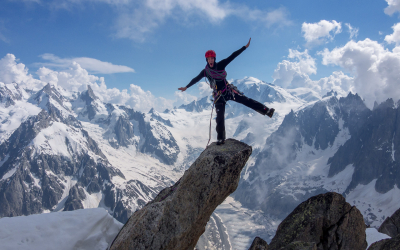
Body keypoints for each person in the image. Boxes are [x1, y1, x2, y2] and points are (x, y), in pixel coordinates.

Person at [178, 38, 275, 145]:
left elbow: (233, 56)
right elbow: (196, 79)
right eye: (208, 59)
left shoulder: (221, 65)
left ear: (214, 59)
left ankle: (266, 111)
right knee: (219, 117)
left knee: (246, 100)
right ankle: (221, 138)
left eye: (212, 58)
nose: (210, 60)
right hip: (219, 96)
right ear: (206, 60)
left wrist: (245, 47)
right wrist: (186, 87)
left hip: (228, 91)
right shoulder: (206, 72)